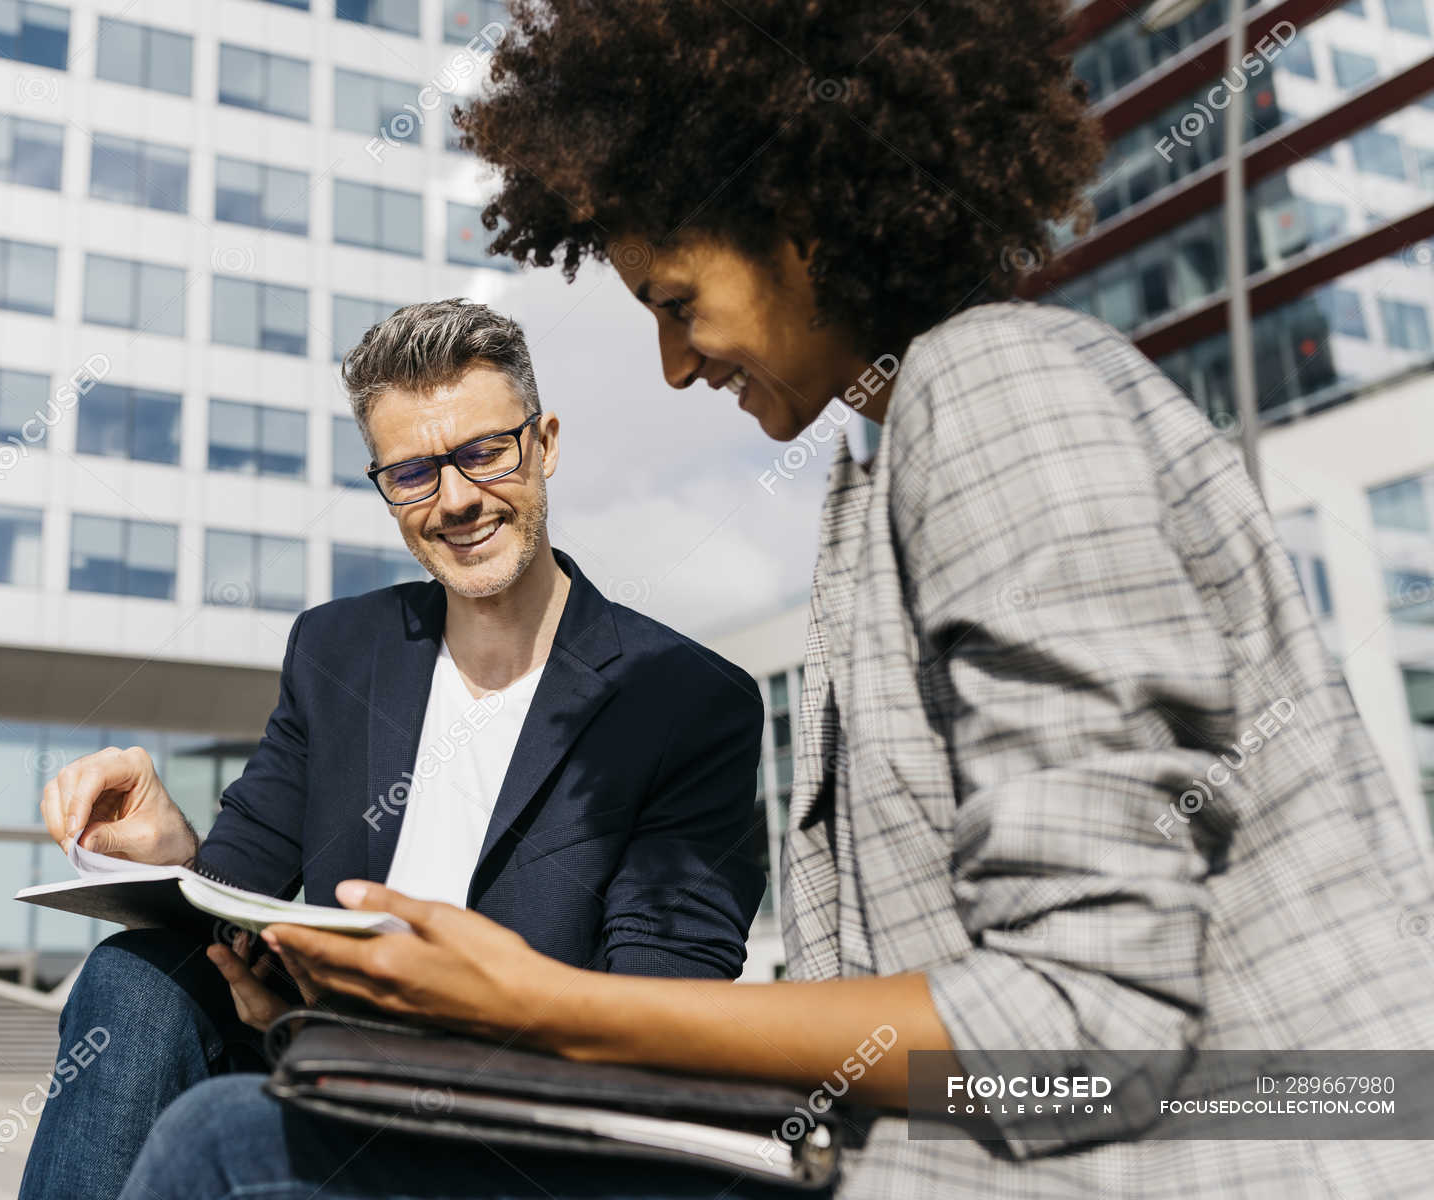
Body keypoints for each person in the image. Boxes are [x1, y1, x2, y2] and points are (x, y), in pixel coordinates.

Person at [117, 2, 1434, 1198]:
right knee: (221, 1108)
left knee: (227, 1148)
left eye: (678, 302)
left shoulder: (997, 400)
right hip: (895, 1153)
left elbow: (1087, 1033)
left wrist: (529, 1006)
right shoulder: (891, 459)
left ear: (808, 212)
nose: (678, 365)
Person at [18, 300, 767, 1200]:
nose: (455, 500)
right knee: (134, 978)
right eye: (413, 473)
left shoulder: (687, 700)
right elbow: (236, 906)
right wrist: (178, 855)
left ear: (546, 444)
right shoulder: (339, 652)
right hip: (332, 1082)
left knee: (222, 1133)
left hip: (526, 1138)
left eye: (485, 452)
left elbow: (662, 1016)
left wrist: (376, 1026)